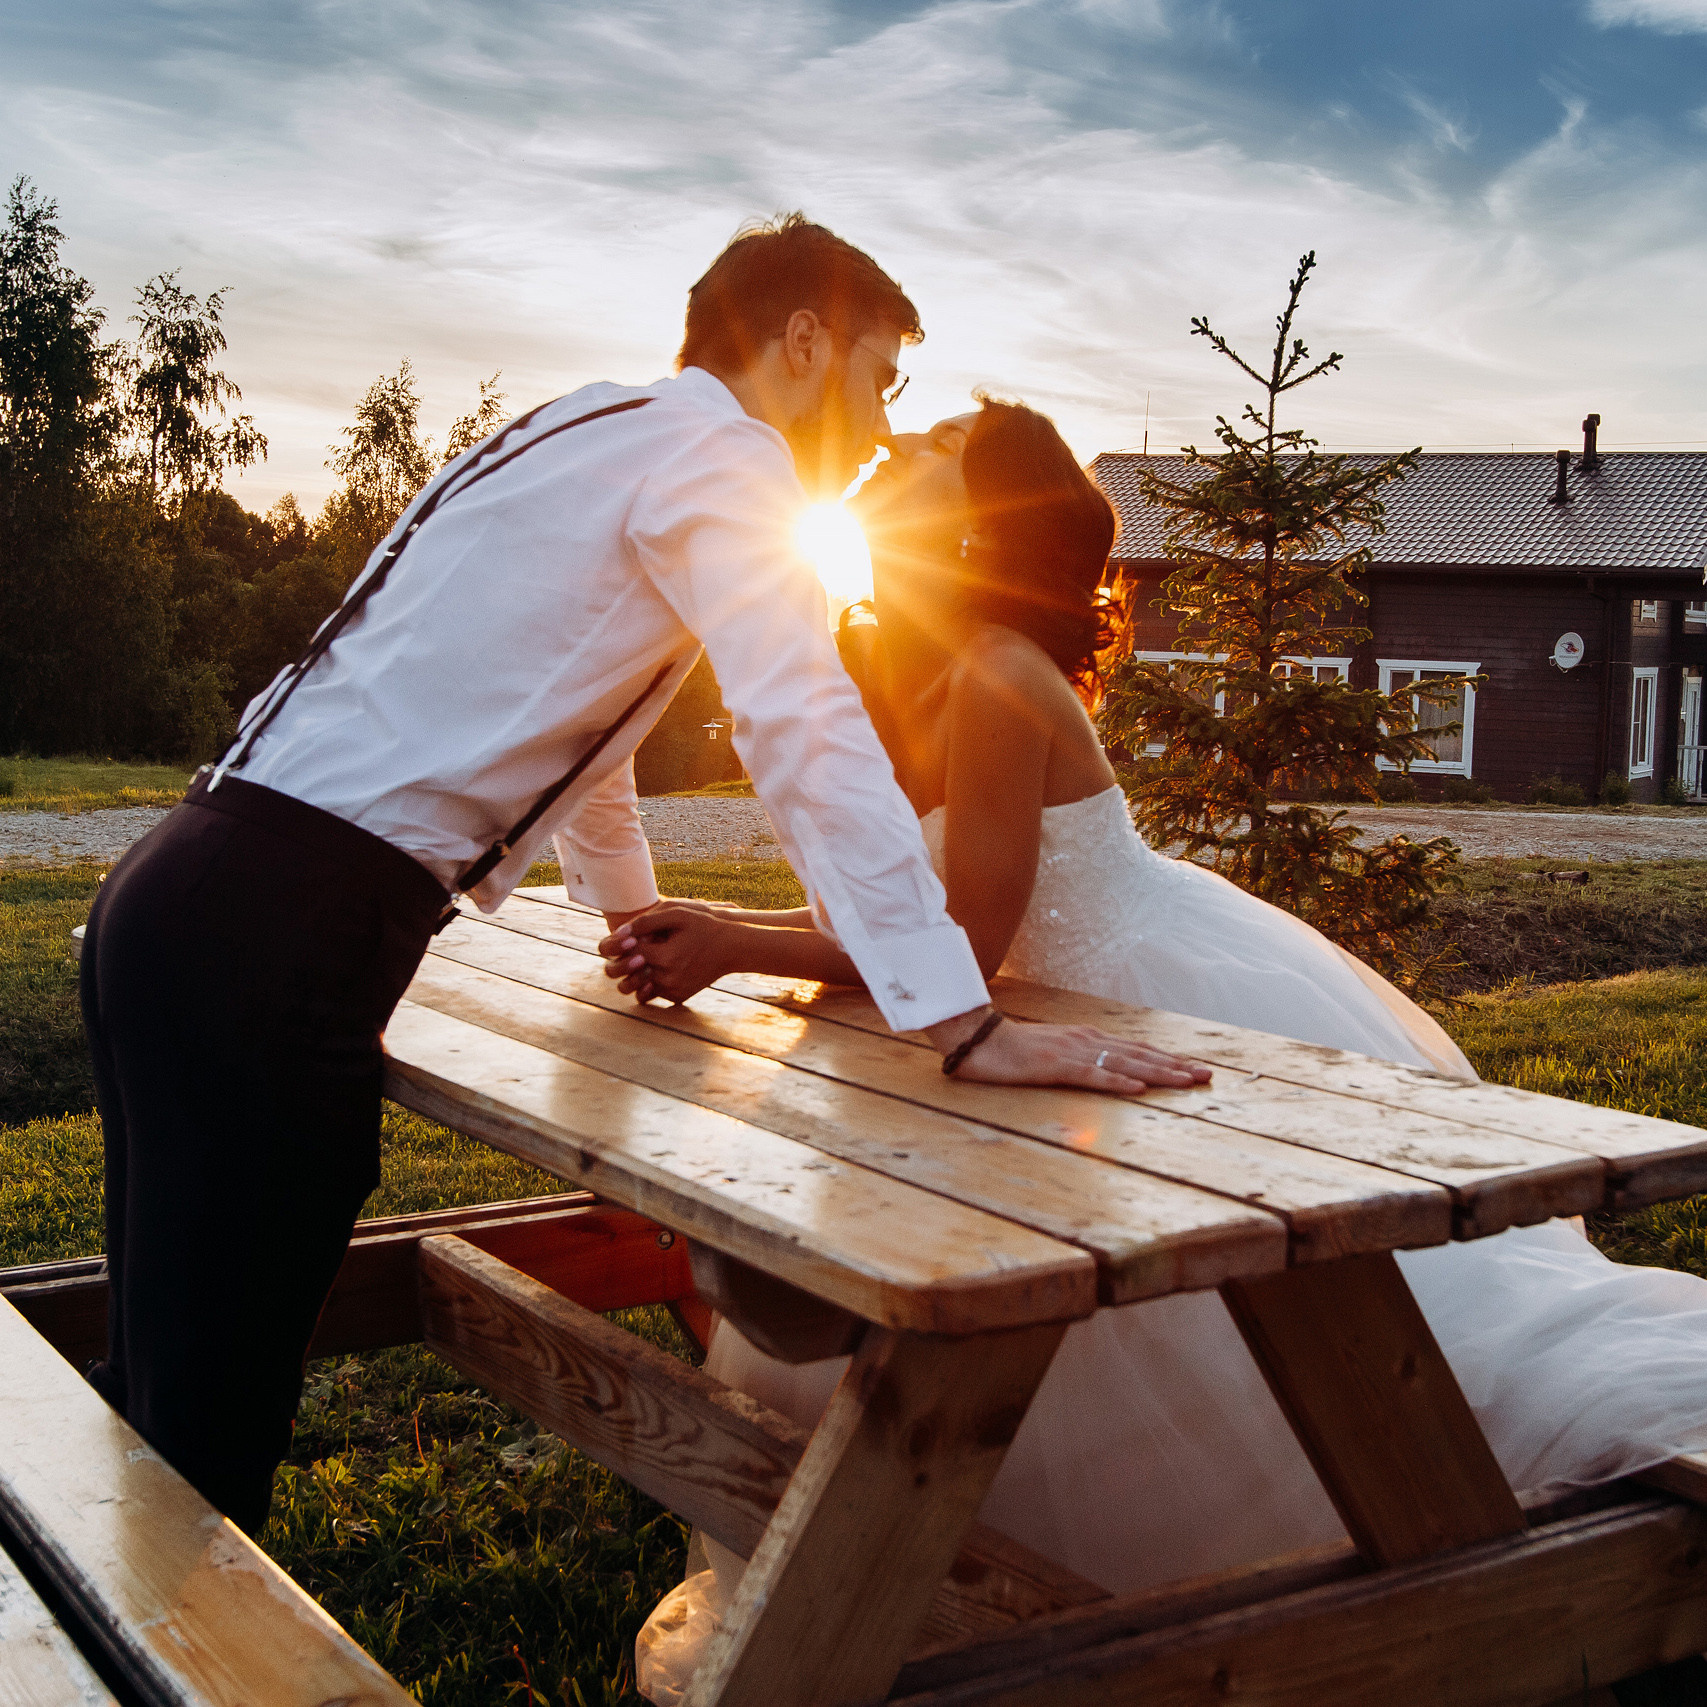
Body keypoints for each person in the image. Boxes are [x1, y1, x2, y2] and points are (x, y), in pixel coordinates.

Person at [79, 221, 1207, 1538]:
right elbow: (798, 716)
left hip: (177, 895)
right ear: (804, 342)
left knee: (158, 1388)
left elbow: (575, 727)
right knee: (205, 1437)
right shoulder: (728, 463)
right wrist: (957, 1017)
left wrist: (624, 918)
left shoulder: (588, 428)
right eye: (879, 375)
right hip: (282, 939)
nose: (881, 422)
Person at [624, 396, 1707, 1704]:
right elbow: (895, 902)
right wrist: (727, 925)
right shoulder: (928, 662)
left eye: (923, 464)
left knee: (1206, 1311)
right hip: (1032, 1023)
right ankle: (925, 1549)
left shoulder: (991, 675)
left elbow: (958, 936)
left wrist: (737, 946)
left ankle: (1376, 1550)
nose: (888, 468)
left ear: (971, 527)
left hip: (1125, 1000)